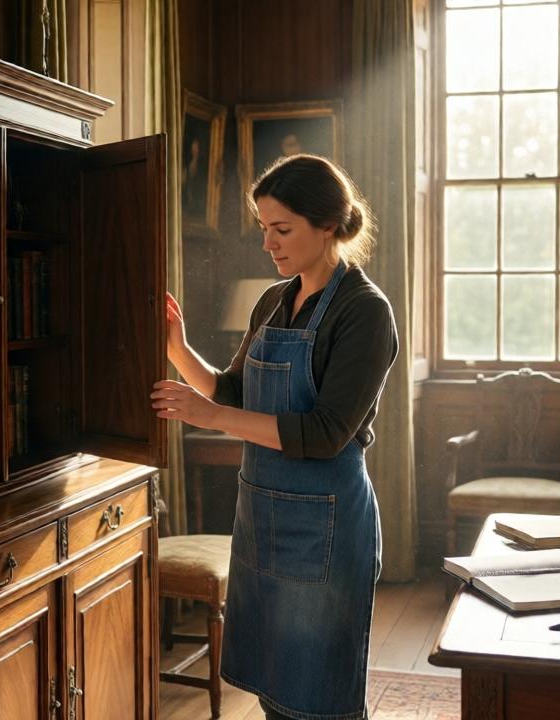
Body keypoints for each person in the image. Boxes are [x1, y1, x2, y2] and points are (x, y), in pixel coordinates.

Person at [151, 154, 398, 719]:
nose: (268, 244)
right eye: (264, 228)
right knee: (274, 692)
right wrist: (177, 349)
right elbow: (233, 391)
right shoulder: (273, 301)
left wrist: (210, 417)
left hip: (324, 531)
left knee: (319, 699)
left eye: (282, 229)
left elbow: (325, 433)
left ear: (328, 224)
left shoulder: (364, 311)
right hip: (261, 521)